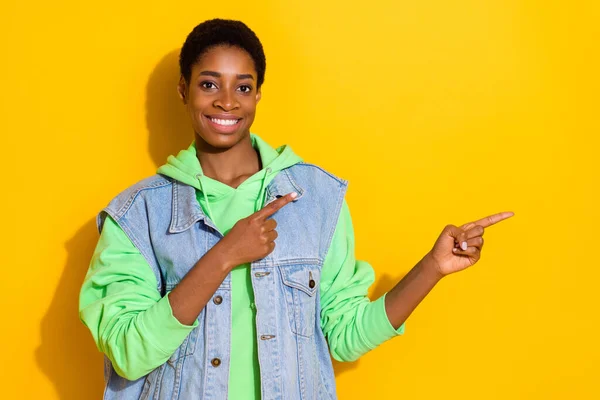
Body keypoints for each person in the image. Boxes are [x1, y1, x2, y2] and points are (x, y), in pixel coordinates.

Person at [79, 18, 514, 400]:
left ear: (258, 95)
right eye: (209, 83)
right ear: (183, 90)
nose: (227, 101)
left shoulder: (316, 198)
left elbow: (344, 336)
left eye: (243, 87)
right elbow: (129, 353)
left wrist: (432, 268)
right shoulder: (139, 214)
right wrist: (225, 254)